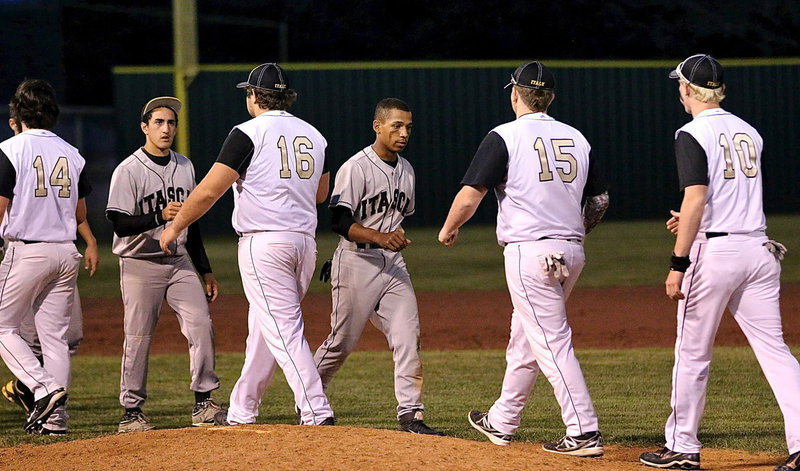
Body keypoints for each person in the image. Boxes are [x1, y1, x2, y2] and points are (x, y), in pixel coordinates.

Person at [438, 61, 609, 456]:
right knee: (526, 338)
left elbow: (470, 195)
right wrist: (575, 235)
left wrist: (449, 228)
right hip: (571, 250)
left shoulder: (504, 136)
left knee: (550, 342)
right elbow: (599, 200)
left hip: (531, 252)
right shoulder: (576, 137)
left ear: (515, 94)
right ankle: (502, 420)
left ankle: (583, 431)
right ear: (550, 98)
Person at [639, 54, 800, 471]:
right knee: (776, 352)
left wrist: (679, 261)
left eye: (680, 84)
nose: (679, 90)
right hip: (759, 250)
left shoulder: (691, 132)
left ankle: (682, 447)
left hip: (717, 255)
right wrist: (698, 221)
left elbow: (697, 197)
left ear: (688, 90)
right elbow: (725, 197)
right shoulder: (749, 131)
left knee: (692, 353)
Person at [159, 63, 334, 426]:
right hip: (304, 242)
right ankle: (242, 410)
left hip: (265, 243)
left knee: (283, 329)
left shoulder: (247, 132)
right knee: (264, 329)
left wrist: (175, 226)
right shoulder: (316, 135)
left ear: (254, 96)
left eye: (248, 93)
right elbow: (321, 193)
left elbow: (209, 191)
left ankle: (317, 410)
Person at [312, 98, 444, 435]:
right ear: (378, 126)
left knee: (407, 336)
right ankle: (309, 398)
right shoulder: (355, 167)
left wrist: (392, 237)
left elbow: (396, 218)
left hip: (392, 265)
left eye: (408, 127)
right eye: (396, 126)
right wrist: (379, 237)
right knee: (341, 342)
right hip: (356, 261)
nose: (403, 133)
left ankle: (411, 415)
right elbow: (340, 222)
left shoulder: (407, 170)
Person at [106, 96, 222, 432]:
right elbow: (119, 223)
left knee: (202, 325)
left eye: (171, 122)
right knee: (139, 336)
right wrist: (158, 216)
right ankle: (131, 411)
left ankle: (204, 402)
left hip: (179, 260)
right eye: (158, 122)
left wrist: (205, 270)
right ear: (144, 127)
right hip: (139, 262)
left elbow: (193, 222)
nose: (166, 128)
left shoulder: (185, 166)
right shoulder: (128, 170)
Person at [0, 79, 91, 434]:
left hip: (28, 251)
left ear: (17, 115)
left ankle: (42, 388)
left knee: (3, 326)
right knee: (54, 338)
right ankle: (55, 421)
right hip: (66, 252)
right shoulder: (72, 152)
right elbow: (81, 213)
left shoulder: (11, 149)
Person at [1, 219, 99, 434]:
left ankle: (46, 402)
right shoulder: (67, 182)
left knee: (63, 337)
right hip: (46, 251)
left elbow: (78, 211)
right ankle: (47, 407)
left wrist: (90, 240)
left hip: (44, 252)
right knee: (45, 340)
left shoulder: (21, 183)